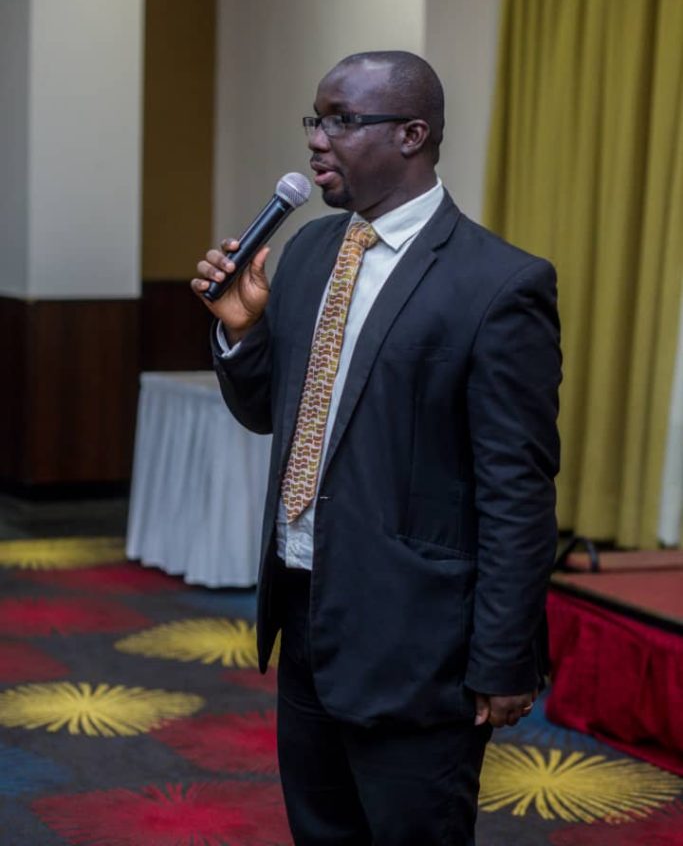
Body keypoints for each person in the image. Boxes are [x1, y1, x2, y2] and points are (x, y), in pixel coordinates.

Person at [191, 50, 561, 845]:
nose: (315, 140)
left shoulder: (498, 285)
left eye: (340, 121)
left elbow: (517, 490)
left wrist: (503, 656)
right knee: (321, 831)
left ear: (411, 135)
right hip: (305, 606)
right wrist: (242, 333)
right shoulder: (308, 252)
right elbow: (268, 415)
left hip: (417, 638)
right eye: (314, 119)